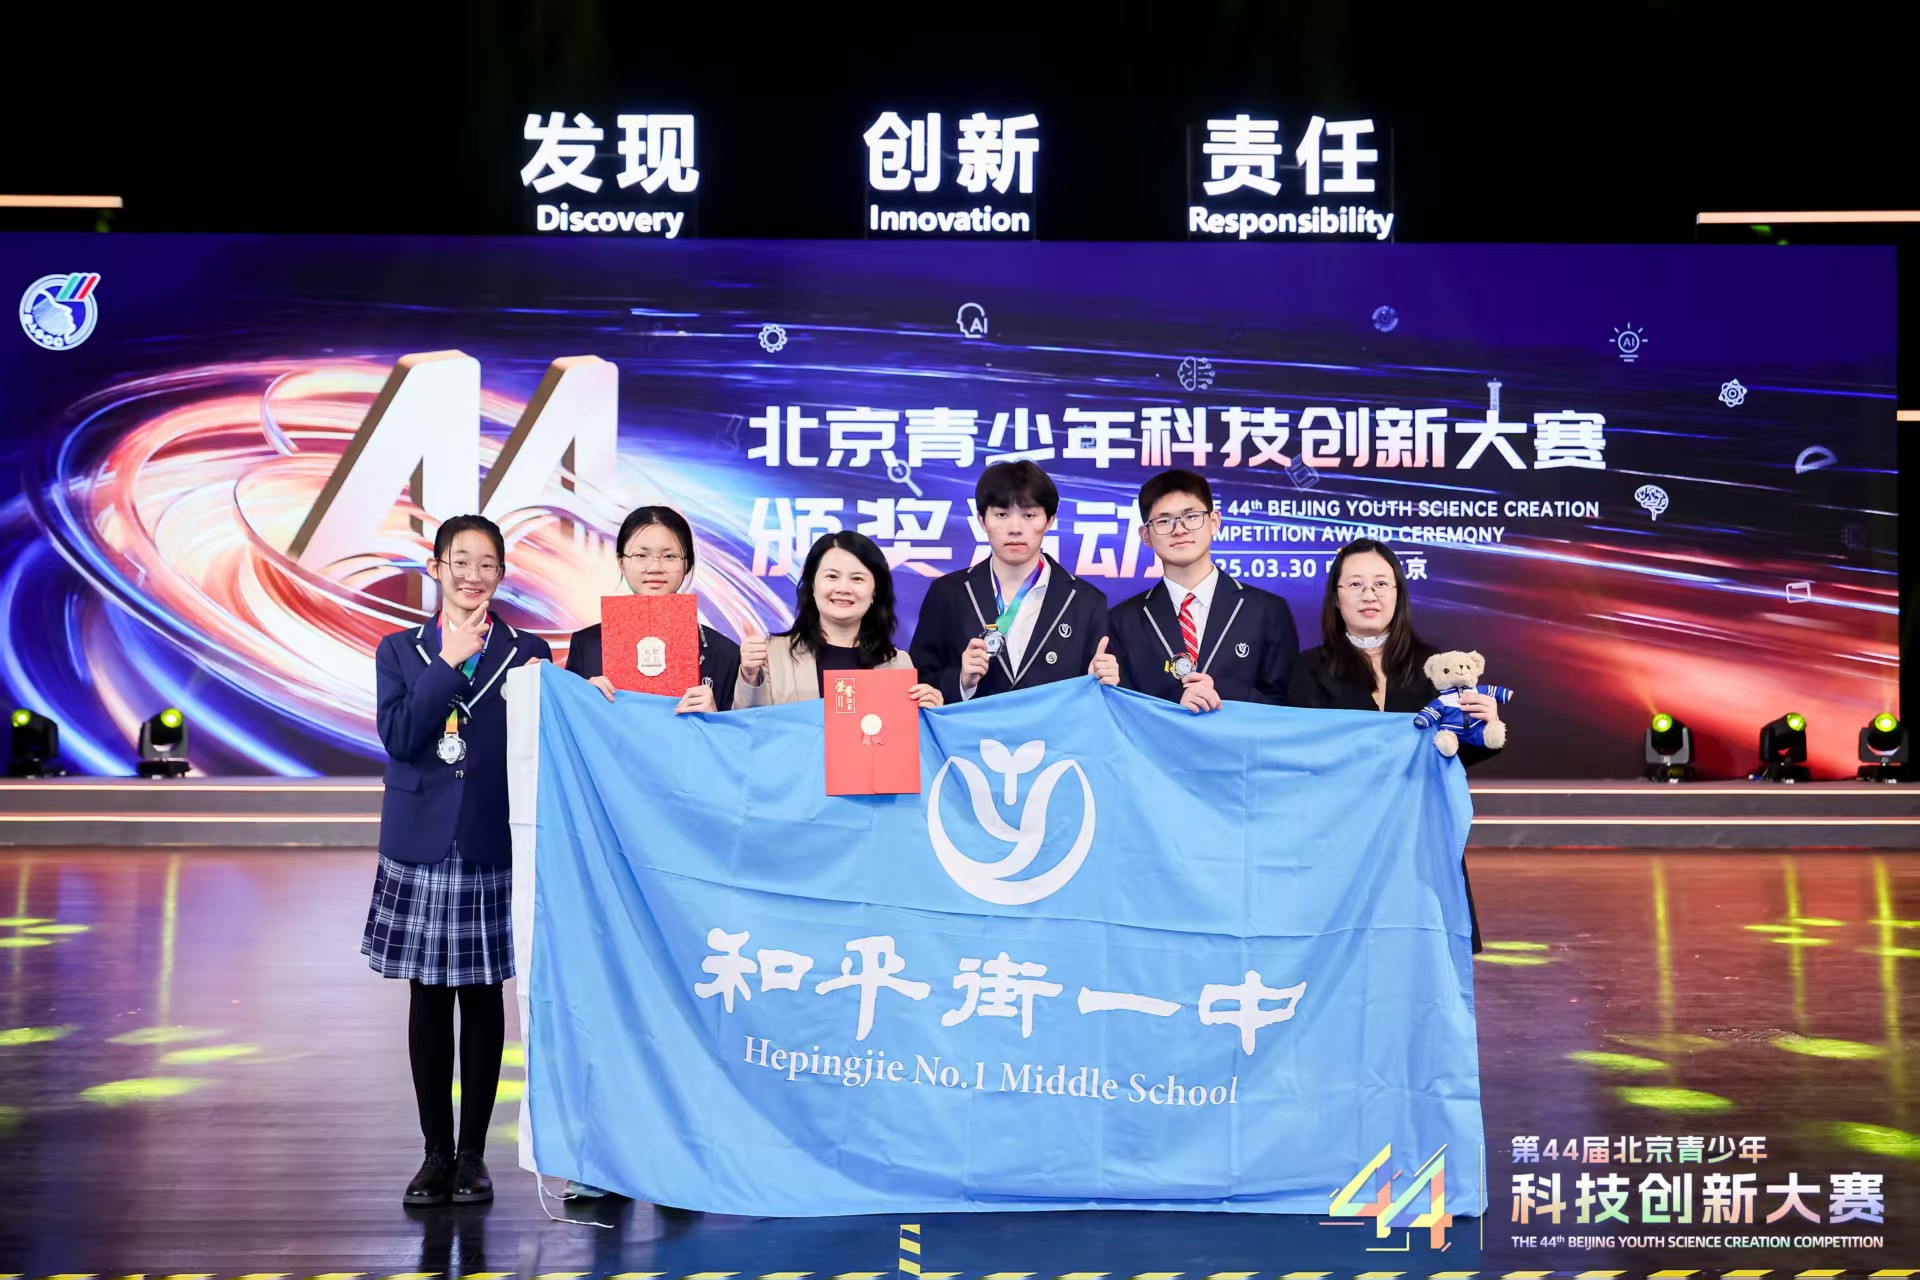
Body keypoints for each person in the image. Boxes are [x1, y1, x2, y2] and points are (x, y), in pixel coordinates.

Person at [363, 514, 551, 1205]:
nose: (474, 576)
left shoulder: (528, 652)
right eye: (461, 562)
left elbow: (544, 738)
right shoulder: (400, 649)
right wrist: (446, 663)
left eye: (487, 565)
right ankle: (434, 1153)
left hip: (490, 837)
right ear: (435, 568)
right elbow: (401, 737)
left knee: (483, 997)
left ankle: (473, 1156)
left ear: (502, 574)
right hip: (421, 840)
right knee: (428, 997)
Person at [1286, 537, 1499, 952]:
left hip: (1419, 838)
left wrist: (1481, 727)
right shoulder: (1309, 668)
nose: (1370, 595)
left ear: (1398, 593)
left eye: (1381, 584)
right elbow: (1298, 758)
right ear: (1336, 598)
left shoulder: (1435, 666)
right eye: (1356, 584)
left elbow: (1451, 754)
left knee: (1421, 957)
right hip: (1339, 840)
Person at [910, 460, 1110, 703]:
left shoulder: (1086, 601)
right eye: (1001, 514)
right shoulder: (948, 593)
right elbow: (919, 681)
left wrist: (1099, 685)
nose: (1015, 528)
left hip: (1054, 728)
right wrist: (962, 682)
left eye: (1029, 515)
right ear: (982, 520)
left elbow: (1098, 696)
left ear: (1049, 520)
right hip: (971, 727)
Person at [1100, 468, 1299, 711]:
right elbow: (1120, 707)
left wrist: (1220, 692)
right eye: (1164, 521)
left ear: (1214, 522)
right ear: (1146, 535)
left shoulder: (1266, 611)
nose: (1179, 529)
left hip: (1240, 736)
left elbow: (1288, 706)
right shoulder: (1122, 621)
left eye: (1191, 516)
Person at [735, 530, 943, 710]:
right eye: (832, 576)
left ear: (874, 591)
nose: (843, 588)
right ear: (812, 585)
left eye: (857, 578)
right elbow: (748, 728)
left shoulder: (898, 663)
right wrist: (750, 675)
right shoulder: (772, 654)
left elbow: (901, 735)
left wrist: (929, 715)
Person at [564, 505, 742, 712]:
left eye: (670, 556)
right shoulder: (586, 645)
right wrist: (581, 701)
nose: (655, 567)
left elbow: (742, 729)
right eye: (641, 555)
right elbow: (563, 723)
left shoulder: (725, 653)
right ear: (621, 561)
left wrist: (714, 719)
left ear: (688, 564)